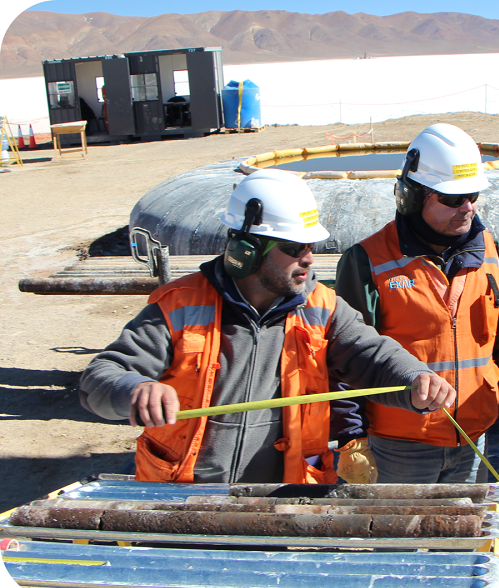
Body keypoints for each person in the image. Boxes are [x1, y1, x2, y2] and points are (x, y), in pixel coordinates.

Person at [80, 168, 455, 485]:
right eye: (293, 248)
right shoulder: (179, 305)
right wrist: (135, 389)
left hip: (285, 501)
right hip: (183, 497)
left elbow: (371, 355)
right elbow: (101, 377)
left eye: (310, 246)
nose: (308, 259)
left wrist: (415, 378)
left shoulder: (321, 306)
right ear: (247, 250)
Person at [333, 123, 499, 485]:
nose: (467, 207)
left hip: (473, 436)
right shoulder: (368, 260)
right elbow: (348, 356)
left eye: (472, 195)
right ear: (413, 197)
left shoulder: (494, 254)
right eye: (452, 199)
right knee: (402, 525)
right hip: (399, 446)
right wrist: (352, 437)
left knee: (465, 522)